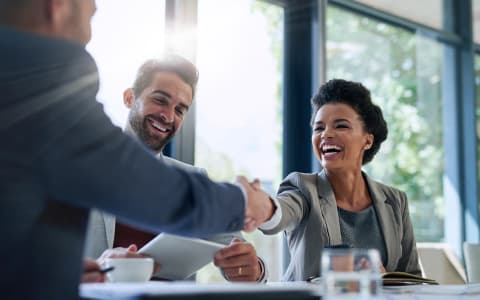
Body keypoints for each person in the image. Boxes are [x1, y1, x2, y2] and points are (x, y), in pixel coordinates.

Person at [0, 1, 274, 299]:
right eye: (90, 13)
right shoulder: (45, 79)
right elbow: (143, 186)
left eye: (180, 109)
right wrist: (244, 201)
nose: (168, 116)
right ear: (59, 6)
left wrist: (67, 272)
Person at [83, 58, 267, 283]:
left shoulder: (194, 180)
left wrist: (253, 269)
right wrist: (102, 266)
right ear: (130, 98)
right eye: (160, 100)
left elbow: (236, 250)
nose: (168, 116)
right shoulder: (83, 165)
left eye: (180, 110)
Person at [260, 79, 421, 281]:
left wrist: (382, 279)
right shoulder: (302, 188)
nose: (326, 134)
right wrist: (261, 207)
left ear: (368, 140)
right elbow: (280, 214)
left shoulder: (396, 201)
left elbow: (412, 278)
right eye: (319, 128)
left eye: (341, 126)